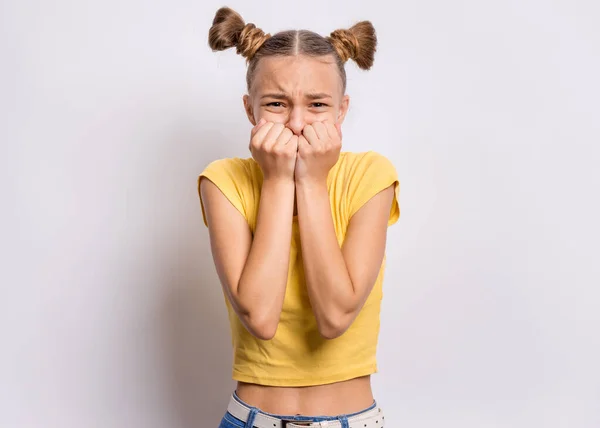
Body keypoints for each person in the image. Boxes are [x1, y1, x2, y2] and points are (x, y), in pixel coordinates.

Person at [198, 6, 400, 428]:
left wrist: (311, 183)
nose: (296, 123)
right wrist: (276, 182)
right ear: (250, 110)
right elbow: (260, 318)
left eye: (317, 105)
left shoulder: (370, 175)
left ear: (342, 110)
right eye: (275, 103)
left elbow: (335, 316)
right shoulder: (223, 180)